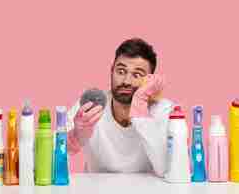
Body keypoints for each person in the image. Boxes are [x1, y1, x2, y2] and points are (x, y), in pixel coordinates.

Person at [67, 38, 174, 177]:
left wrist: (140, 104)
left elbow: (166, 170)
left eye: (137, 74)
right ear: (112, 71)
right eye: (121, 71)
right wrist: (75, 138)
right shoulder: (90, 106)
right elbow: (48, 158)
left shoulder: (164, 111)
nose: (126, 81)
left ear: (150, 81)